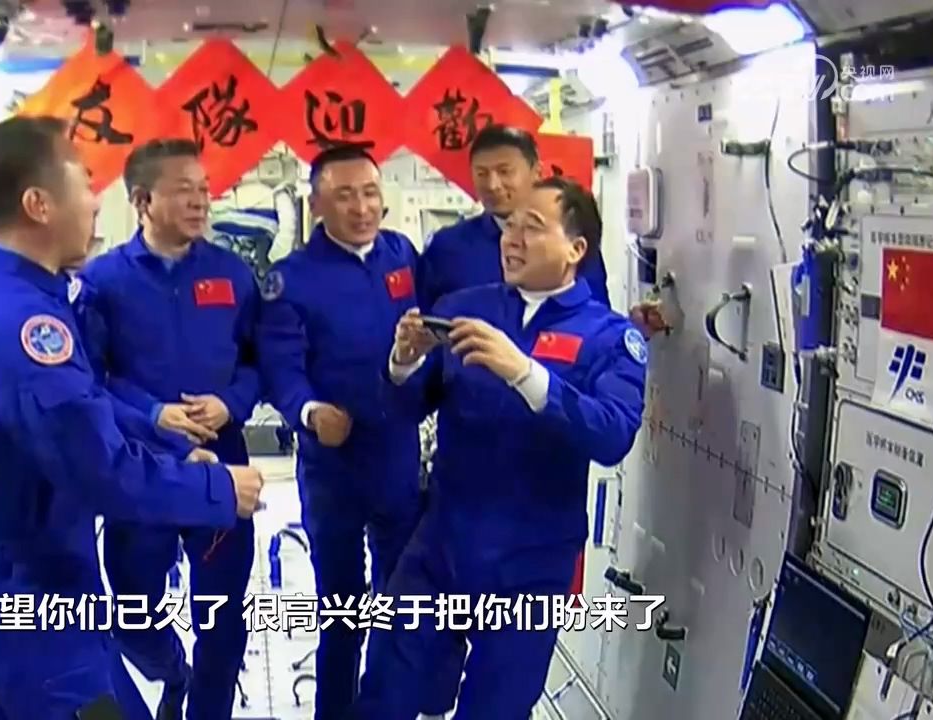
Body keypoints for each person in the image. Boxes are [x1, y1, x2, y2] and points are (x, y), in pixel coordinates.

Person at [0, 115, 264, 720]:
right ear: (39, 204)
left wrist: (171, 445)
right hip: (34, 596)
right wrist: (217, 487)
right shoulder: (26, 326)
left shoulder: (21, 297)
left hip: (46, 577)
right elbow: (98, 468)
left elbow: (84, 402)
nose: (93, 202)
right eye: (85, 183)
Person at [352, 177, 647, 720]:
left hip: (533, 558)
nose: (512, 238)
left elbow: (612, 436)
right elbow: (404, 407)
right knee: (385, 691)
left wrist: (527, 374)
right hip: (442, 544)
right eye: (510, 226)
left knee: (496, 708)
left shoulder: (609, 337)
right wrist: (403, 361)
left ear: (575, 249)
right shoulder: (464, 309)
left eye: (532, 227)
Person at [76, 138, 260, 720]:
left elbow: (259, 362)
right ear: (142, 201)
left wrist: (231, 403)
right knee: (134, 610)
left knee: (223, 617)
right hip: (140, 468)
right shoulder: (104, 281)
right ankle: (171, 671)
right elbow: (91, 379)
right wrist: (152, 415)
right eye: (184, 191)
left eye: (204, 189)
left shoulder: (233, 274)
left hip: (221, 466)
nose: (201, 201)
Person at [257, 144, 424, 720]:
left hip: (397, 455)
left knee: (401, 603)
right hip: (333, 467)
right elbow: (281, 367)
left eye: (370, 193)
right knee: (343, 612)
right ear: (317, 204)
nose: (362, 207)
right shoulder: (291, 280)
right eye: (345, 195)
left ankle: (384, 710)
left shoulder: (402, 256)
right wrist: (308, 412)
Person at [417, 124, 610, 312]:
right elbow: (426, 320)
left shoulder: (566, 242)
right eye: (482, 173)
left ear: (537, 172)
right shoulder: (446, 247)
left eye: (504, 171)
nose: (492, 185)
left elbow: (595, 316)